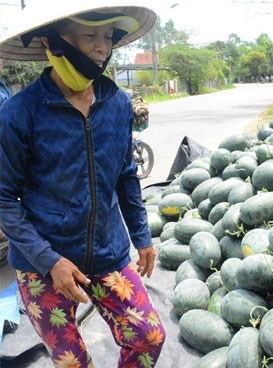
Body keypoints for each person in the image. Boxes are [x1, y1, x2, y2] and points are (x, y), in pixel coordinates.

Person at [0, 2, 165, 367]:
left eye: (107, 36)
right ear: (52, 42)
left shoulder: (118, 104)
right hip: (41, 262)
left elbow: (125, 174)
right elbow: (3, 199)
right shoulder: (19, 113)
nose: (102, 47)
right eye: (90, 35)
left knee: (149, 336)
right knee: (72, 362)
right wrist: (49, 261)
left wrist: (141, 235)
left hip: (107, 252)